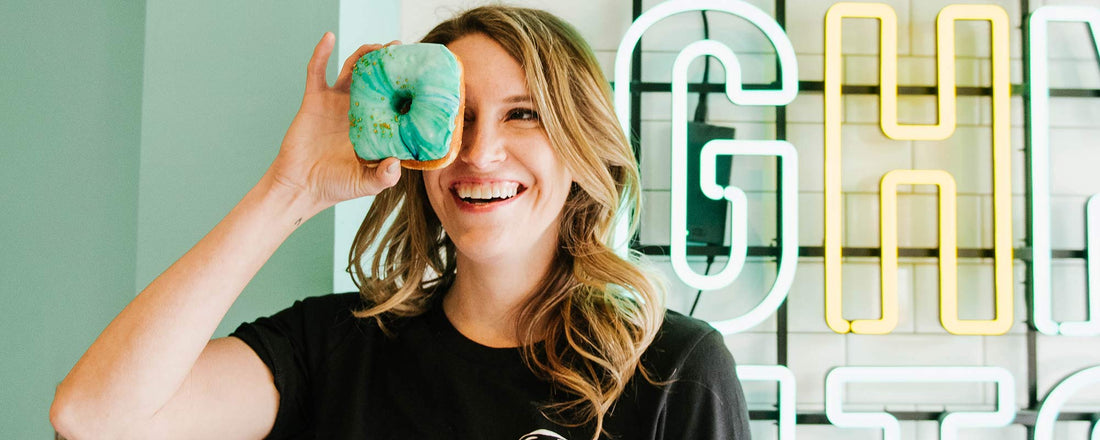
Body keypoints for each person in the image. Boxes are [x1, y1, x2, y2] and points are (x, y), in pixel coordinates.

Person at [51, 5, 750, 440]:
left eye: (522, 113)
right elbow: (95, 418)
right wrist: (288, 188)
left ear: (581, 145)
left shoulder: (672, 369)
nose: (478, 151)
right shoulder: (333, 349)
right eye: (455, 117)